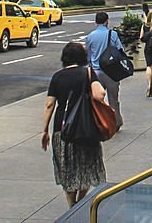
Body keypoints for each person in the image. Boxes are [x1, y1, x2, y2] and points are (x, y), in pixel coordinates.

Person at [42, 42, 107, 208]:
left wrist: (44, 131)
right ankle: (81, 199)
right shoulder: (88, 73)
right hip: (86, 128)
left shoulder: (57, 76)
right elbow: (99, 94)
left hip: (62, 129)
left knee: (67, 169)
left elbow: (50, 105)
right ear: (82, 57)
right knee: (87, 166)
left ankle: (72, 206)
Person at [84, 12, 123, 129]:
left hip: (96, 72)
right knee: (113, 99)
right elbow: (120, 50)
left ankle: (98, 122)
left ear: (96, 21)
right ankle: (116, 122)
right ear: (106, 21)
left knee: (96, 99)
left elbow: (87, 55)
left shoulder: (90, 36)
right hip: (111, 72)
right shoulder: (113, 34)